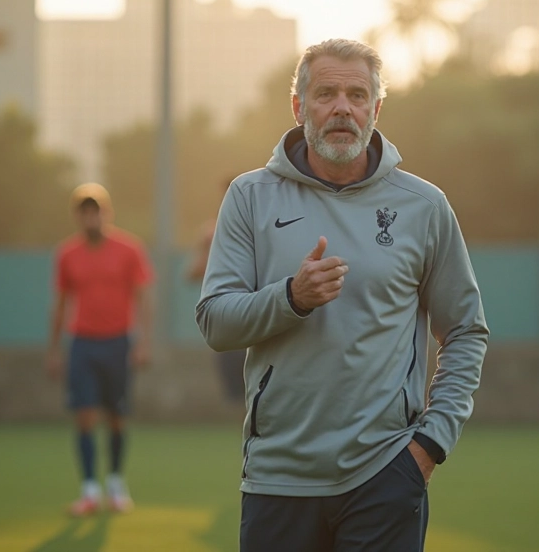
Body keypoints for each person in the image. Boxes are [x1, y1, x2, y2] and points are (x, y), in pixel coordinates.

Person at [196, 39, 489, 552]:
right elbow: (216, 322)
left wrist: (430, 445)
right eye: (326, 93)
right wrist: (291, 297)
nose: (342, 108)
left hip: (386, 473)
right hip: (278, 476)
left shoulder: (424, 206)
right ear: (299, 106)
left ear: (375, 109)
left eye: (357, 95)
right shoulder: (249, 197)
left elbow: (465, 330)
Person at [46, 183, 154, 516]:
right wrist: (54, 349)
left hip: (118, 343)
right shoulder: (67, 254)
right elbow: (61, 304)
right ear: (78, 216)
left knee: (117, 418)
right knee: (84, 417)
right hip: (82, 344)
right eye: (85, 212)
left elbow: (143, 298)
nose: (91, 218)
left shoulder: (129, 248)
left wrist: (143, 342)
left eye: (96, 211)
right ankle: (90, 490)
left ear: (106, 213)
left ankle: (116, 485)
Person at [186, 175, 246, 406]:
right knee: (238, 399)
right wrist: (208, 246)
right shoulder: (213, 231)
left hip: (260, 320)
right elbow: (193, 274)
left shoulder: (266, 225)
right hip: (229, 322)